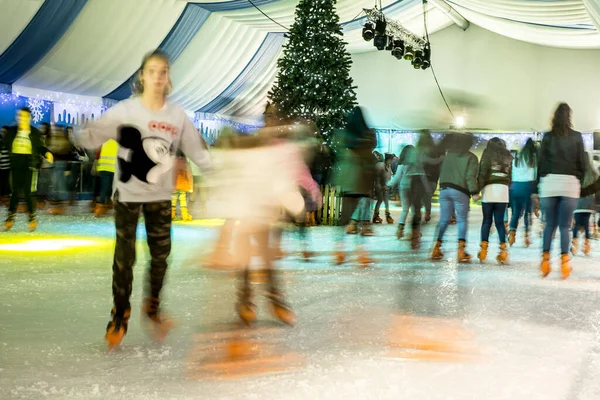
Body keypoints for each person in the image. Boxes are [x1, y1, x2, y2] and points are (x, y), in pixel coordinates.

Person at [75, 50, 211, 349]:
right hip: (127, 194)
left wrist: (219, 169)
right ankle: (120, 312)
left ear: (168, 77)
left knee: (161, 256)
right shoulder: (126, 110)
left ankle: (153, 306)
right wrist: (82, 135)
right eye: (153, 71)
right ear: (142, 75)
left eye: (163, 71)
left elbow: (197, 151)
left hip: (160, 196)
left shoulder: (176, 116)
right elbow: (96, 134)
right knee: (124, 259)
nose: (158, 77)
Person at [536, 103, 585, 279]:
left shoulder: (547, 137)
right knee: (565, 225)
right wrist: (577, 178)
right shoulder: (577, 137)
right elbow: (582, 162)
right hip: (570, 183)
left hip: (549, 183)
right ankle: (564, 264)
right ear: (569, 116)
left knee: (550, 224)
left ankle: (545, 262)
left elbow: (540, 162)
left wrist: (540, 181)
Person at [431, 133, 479, 263]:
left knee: (444, 219)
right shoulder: (471, 157)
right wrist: (474, 192)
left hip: (444, 189)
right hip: (460, 191)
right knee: (462, 220)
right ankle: (461, 251)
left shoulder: (448, 155)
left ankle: (436, 248)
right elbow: (470, 176)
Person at [2, 108, 53, 231]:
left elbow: (40, 147)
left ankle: (32, 218)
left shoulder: (35, 132)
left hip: (29, 164)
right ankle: (10, 218)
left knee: (28, 192)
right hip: (15, 164)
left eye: (25, 116)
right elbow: (3, 143)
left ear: (29, 118)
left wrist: (47, 153)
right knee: (14, 192)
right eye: (20, 116)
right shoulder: (12, 132)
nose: (22, 118)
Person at [476, 137, 513, 264]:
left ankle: (483, 251)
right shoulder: (508, 155)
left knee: (486, 221)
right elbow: (510, 175)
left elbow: (482, 173)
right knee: (499, 222)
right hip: (503, 191)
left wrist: (477, 190)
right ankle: (503, 251)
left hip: (489, 189)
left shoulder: (487, 153)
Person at [508, 139, 537, 247]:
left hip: (515, 186)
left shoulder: (516, 156)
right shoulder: (533, 158)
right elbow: (535, 174)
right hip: (527, 186)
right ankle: (526, 237)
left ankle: (512, 232)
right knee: (527, 213)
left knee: (516, 212)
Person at [571, 152, 598, 256]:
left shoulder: (577, 172)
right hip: (589, 202)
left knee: (577, 223)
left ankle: (574, 245)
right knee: (586, 223)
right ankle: (586, 246)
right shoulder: (593, 172)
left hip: (578, 201)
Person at [94, 138, 118, 217]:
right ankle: (104, 204)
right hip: (113, 169)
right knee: (109, 187)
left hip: (103, 167)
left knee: (105, 187)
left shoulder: (103, 140)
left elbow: (97, 153)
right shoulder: (118, 142)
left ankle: (102, 205)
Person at [171, 151, 193, 221]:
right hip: (183, 185)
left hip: (173, 185)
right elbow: (189, 175)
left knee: (173, 202)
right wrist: (190, 187)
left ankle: (172, 216)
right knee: (183, 202)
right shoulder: (185, 163)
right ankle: (184, 216)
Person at [372, 153, 394, 224]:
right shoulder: (380, 166)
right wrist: (380, 187)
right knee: (380, 200)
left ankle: (387, 215)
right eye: (391, 160)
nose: (392, 161)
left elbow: (389, 176)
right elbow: (377, 178)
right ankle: (376, 215)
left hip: (385, 187)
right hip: (380, 187)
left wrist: (388, 186)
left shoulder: (388, 166)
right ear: (388, 159)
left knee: (386, 201)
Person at [0, 126, 11, 204]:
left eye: (4, 132)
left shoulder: (10, 142)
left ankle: (6, 198)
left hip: (8, 166)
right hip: (1, 166)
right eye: (2, 132)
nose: (3, 133)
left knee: (6, 183)